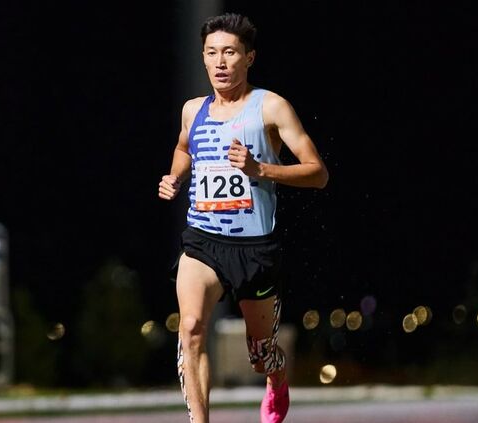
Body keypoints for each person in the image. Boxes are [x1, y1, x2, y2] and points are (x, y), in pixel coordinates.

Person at [158, 12, 329, 423]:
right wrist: (175, 176)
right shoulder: (192, 110)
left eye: (230, 52)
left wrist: (260, 169)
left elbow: (318, 173)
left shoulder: (270, 107)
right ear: (203, 57)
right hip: (203, 239)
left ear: (249, 57)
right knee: (191, 327)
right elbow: (183, 147)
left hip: (254, 248)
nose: (220, 62)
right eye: (211, 52)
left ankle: (276, 378)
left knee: (261, 353)